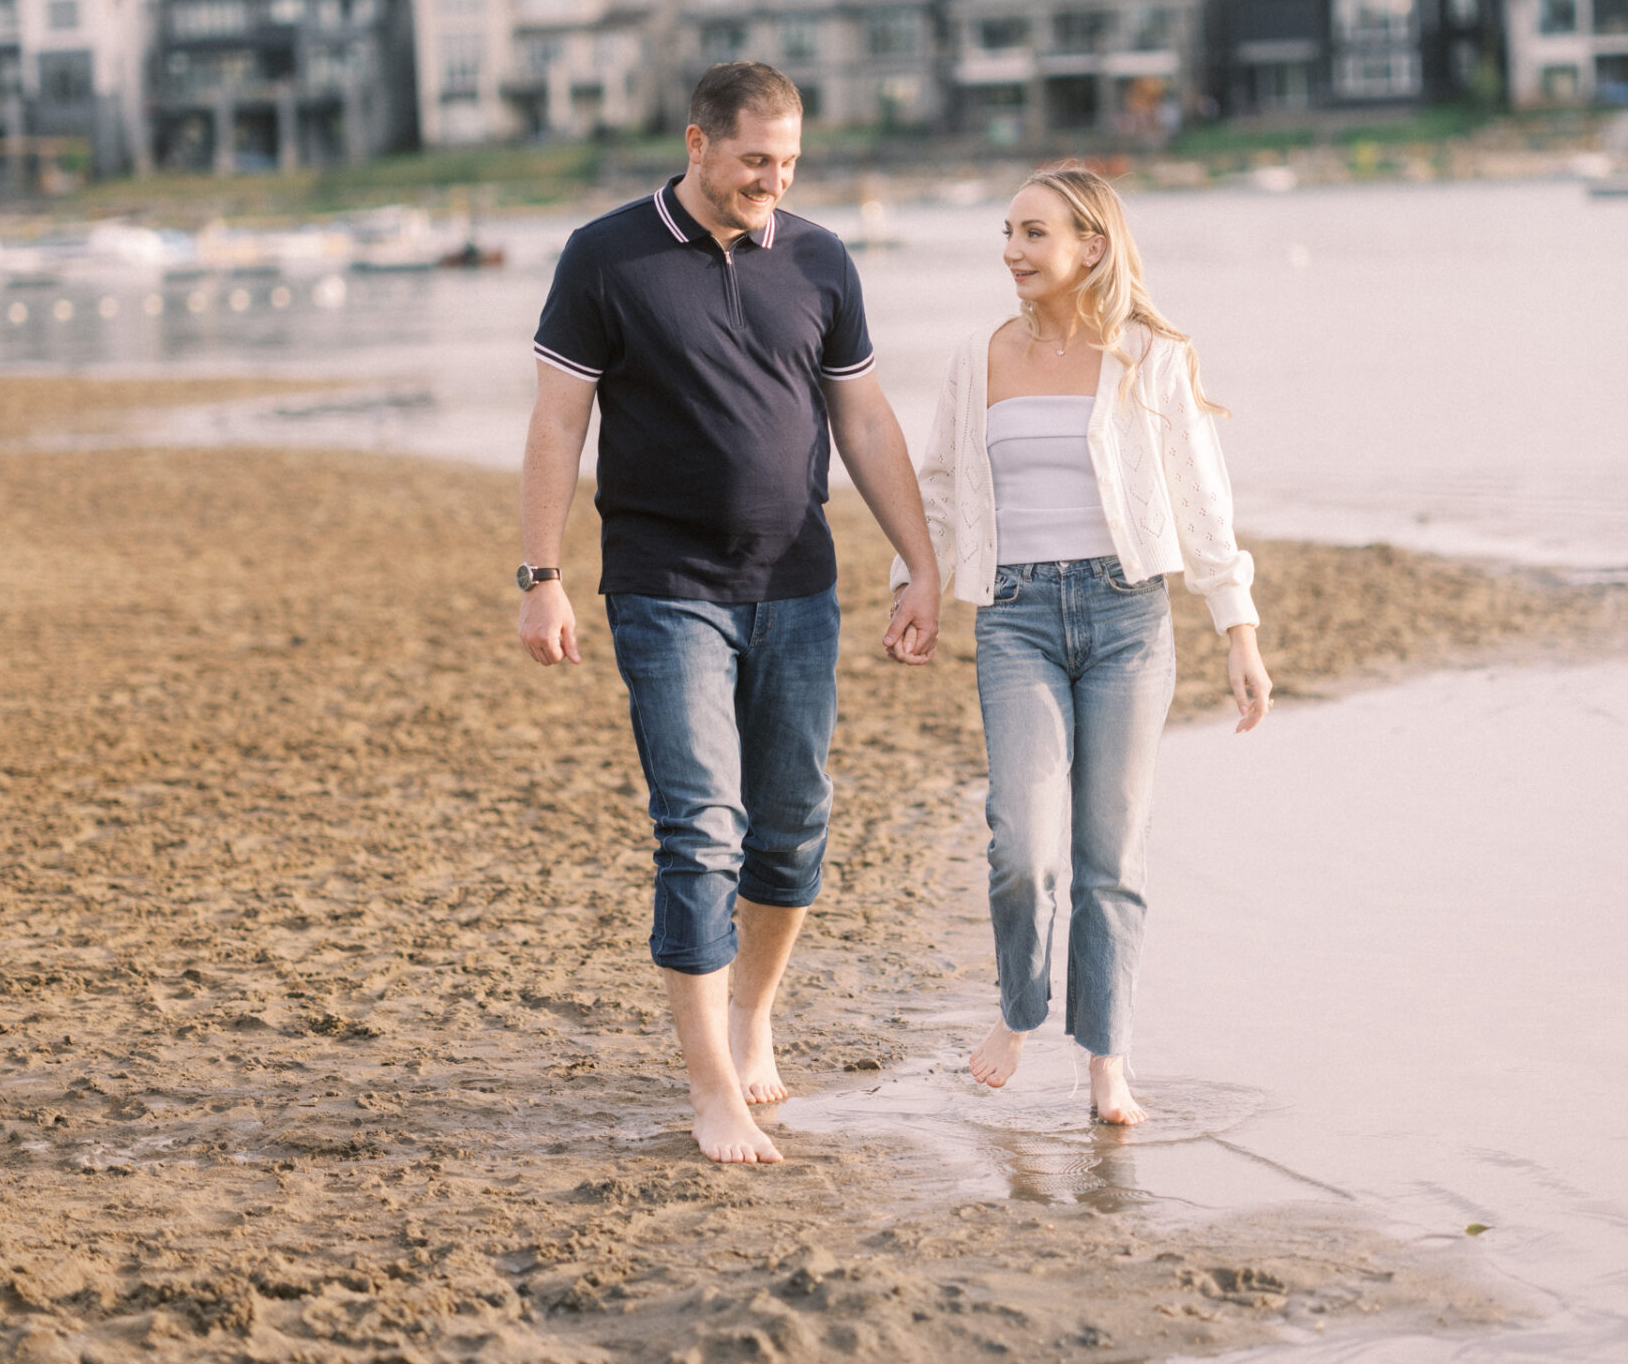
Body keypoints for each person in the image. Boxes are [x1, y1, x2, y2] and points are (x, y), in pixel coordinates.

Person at [517, 61, 942, 1165]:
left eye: (790, 161)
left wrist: (921, 563)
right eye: (757, 158)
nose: (774, 179)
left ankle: (755, 1014)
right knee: (700, 827)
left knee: (793, 820)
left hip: (797, 581)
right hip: (664, 586)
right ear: (697, 141)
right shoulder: (606, 255)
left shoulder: (818, 257)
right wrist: (540, 572)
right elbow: (560, 421)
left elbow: (865, 418)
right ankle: (712, 1088)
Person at [901, 165, 1271, 1126]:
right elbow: (941, 486)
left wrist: (1239, 630)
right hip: (1015, 617)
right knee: (1022, 848)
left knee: (1111, 857)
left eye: (1035, 234)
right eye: (1009, 233)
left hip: (1126, 619)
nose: (1014, 252)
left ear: (1089, 247)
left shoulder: (1148, 357)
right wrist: (920, 588)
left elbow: (1200, 494)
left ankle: (1108, 1061)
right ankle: (1021, 1012)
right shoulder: (976, 357)